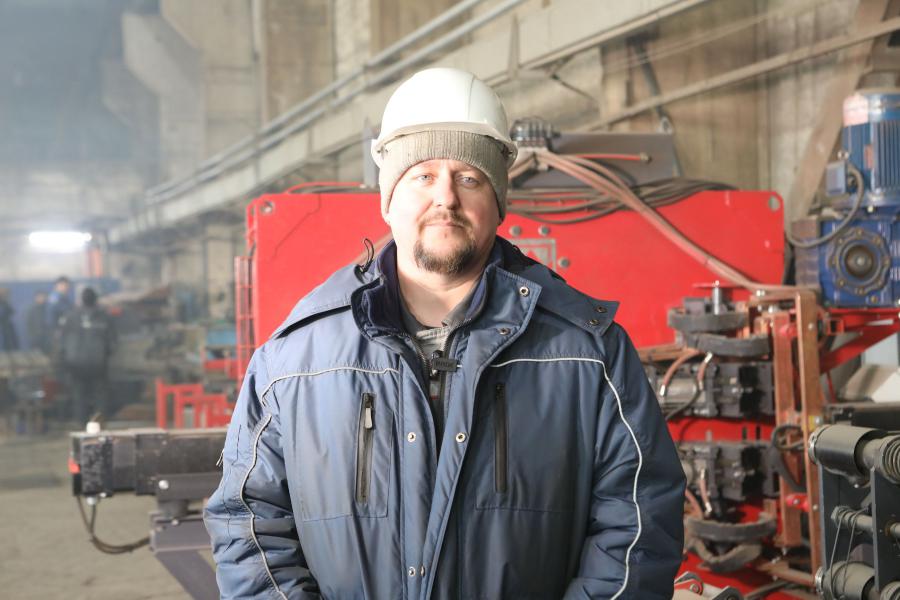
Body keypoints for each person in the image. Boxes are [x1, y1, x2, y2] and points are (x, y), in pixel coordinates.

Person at [205, 67, 685, 599]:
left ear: (498, 201)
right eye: (423, 175)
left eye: (469, 177)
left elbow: (638, 524)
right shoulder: (294, 360)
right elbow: (249, 524)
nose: (446, 198)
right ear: (389, 199)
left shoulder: (588, 352)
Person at [59, 287, 115, 423]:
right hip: (98, 363)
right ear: (96, 300)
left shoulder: (70, 316)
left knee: (79, 395)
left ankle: (81, 424)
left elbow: (62, 341)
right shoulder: (104, 317)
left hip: (75, 363)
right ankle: (99, 423)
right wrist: (105, 355)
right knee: (100, 394)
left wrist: (66, 358)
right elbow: (112, 341)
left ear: (81, 300)